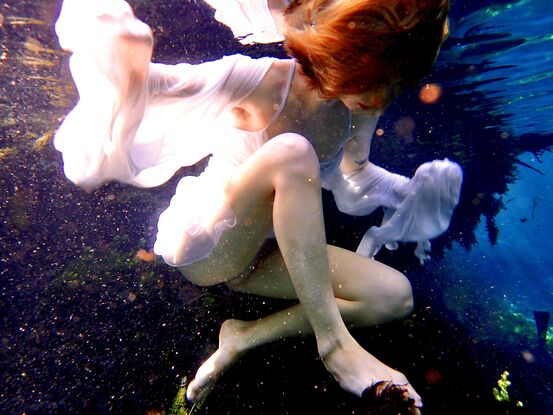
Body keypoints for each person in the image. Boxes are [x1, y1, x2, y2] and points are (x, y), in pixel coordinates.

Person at [54, 0, 462, 411]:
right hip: (211, 245)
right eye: (378, 80)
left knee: (395, 295)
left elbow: (354, 181)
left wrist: (409, 192)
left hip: (268, 254)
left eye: (394, 86)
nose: (381, 97)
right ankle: (334, 342)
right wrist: (121, 61)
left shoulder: (361, 108)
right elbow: (165, 88)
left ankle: (242, 338)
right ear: (348, 52)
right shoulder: (262, 83)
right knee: (292, 153)